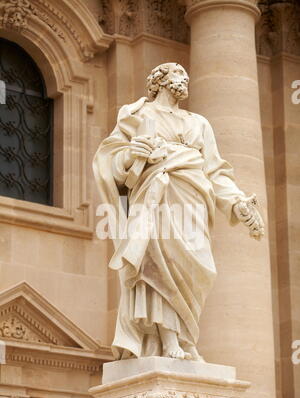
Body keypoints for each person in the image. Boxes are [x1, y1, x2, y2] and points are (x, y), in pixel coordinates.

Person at [93, 63, 264, 361]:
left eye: (186, 75)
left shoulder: (198, 123)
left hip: (194, 199)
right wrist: (133, 154)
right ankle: (172, 340)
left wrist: (236, 202)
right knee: (159, 262)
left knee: (196, 265)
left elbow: (215, 169)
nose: (184, 78)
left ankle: (185, 335)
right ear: (158, 81)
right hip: (156, 196)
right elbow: (110, 160)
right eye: (177, 73)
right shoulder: (137, 115)